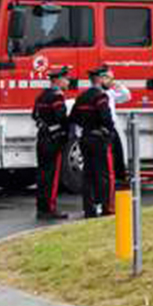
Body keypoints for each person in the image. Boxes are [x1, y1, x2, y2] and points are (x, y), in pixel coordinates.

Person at [69, 66, 119, 217]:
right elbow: (106, 119)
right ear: (98, 79)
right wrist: (108, 131)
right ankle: (107, 207)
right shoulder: (101, 97)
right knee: (105, 175)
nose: (106, 80)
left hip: (85, 138)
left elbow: (73, 117)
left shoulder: (82, 96)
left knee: (88, 175)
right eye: (104, 77)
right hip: (99, 139)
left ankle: (89, 209)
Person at [33, 66, 71, 220]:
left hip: (42, 136)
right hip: (53, 139)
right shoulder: (57, 97)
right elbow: (61, 116)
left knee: (42, 174)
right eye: (65, 79)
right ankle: (49, 208)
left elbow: (35, 115)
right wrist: (66, 128)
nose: (67, 82)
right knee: (52, 176)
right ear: (57, 80)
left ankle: (41, 207)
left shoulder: (41, 96)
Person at [100, 67, 132, 184]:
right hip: (101, 129)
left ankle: (119, 178)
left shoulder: (111, 93)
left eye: (112, 78)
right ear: (101, 78)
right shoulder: (96, 93)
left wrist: (116, 84)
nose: (110, 81)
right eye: (108, 78)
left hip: (111, 128)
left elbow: (127, 96)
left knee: (118, 153)